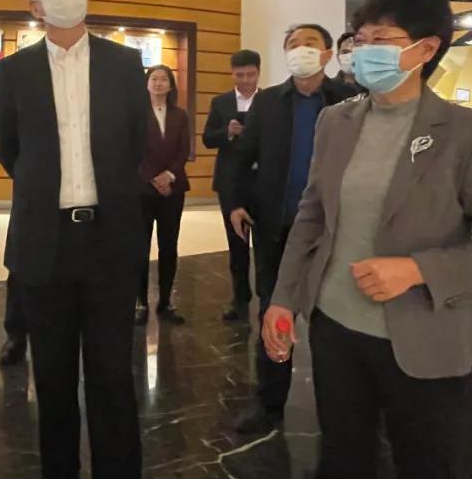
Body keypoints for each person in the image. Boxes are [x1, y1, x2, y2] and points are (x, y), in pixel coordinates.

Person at [262, 0, 472, 479]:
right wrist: (283, 298)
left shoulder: (469, 133)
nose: (365, 51)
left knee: (429, 473)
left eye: (382, 39)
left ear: (426, 48)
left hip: (426, 336)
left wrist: (416, 269)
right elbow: (312, 216)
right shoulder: (336, 121)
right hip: (335, 330)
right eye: (360, 40)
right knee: (343, 465)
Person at [0, 0, 150, 479]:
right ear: (36, 5)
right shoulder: (14, 71)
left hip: (109, 238)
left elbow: (136, 144)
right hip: (45, 242)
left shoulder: (123, 63)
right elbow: (9, 150)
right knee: (53, 380)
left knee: (112, 376)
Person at [228, 24, 359, 433]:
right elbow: (243, 155)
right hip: (276, 227)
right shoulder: (268, 102)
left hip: (334, 232)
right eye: (293, 44)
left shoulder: (351, 100)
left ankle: (340, 407)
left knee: (333, 320)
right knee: (274, 311)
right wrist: (236, 202)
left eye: (310, 44)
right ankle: (270, 402)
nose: (300, 50)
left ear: (327, 54)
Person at [201, 49, 260, 321]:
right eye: (239, 75)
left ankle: (268, 295)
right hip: (230, 183)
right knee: (237, 242)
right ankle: (239, 297)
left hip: (262, 180)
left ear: (258, 73)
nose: (245, 80)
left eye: (250, 74)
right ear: (232, 74)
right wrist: (227, 132)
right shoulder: (221, 102)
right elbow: (207, 139)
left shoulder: (270, 100)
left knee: (265, 242)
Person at [136, 65, 191, 326]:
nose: (158, 83)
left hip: (173, 189)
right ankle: (140, 302)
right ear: (147, 84)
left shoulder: (180, 115)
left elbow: (184, 150)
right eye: (154, 79)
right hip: (142, 189)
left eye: (164, 79)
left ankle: (166, 301)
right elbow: (133, 151)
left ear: (171, 85)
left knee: (169, 245)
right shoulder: (136, 114)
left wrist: (168, 176)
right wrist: (153, 178)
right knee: (140, 246)